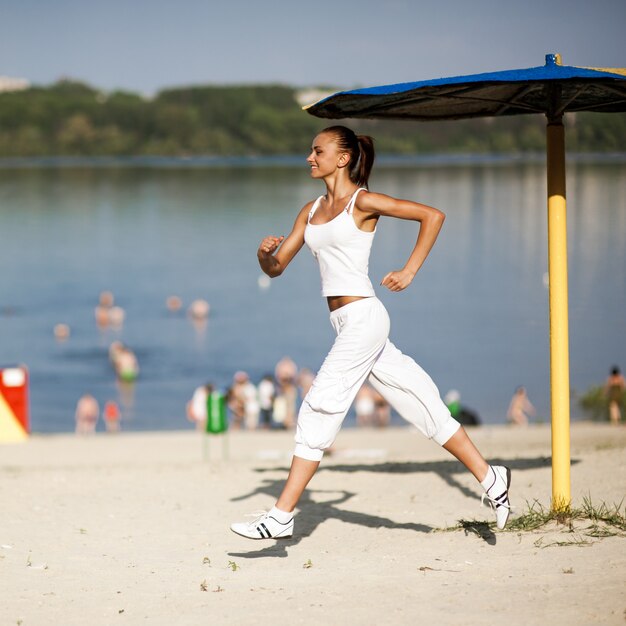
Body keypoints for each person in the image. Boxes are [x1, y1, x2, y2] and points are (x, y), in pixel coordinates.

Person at [231, 126, 511, 540]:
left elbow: (432, 216)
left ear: (342, 158)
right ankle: (493, 479)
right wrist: (262, 255)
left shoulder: (362, 201)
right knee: (422, 403)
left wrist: (409, 270)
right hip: (346, 323)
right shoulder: (309, 211)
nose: (309, 157)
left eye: (317, 151)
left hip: (364, 318)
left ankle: (281, 514)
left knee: (319, 406)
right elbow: (276, 268)